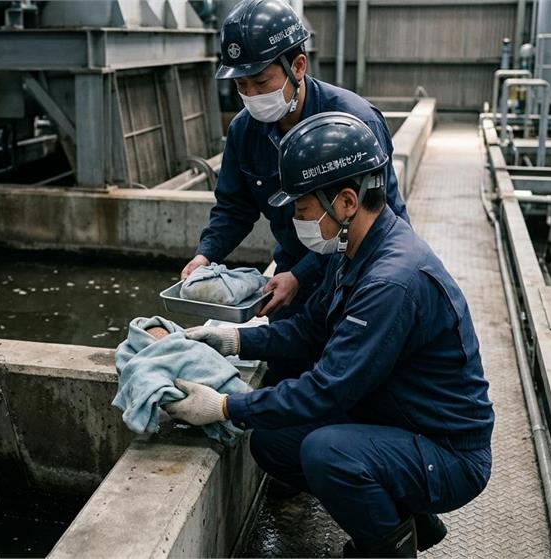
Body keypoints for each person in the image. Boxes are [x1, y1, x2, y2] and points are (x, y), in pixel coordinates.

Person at [166, 113, 494, 557]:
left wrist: (224, 406)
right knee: (273, 444)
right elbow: (308, 330)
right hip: (400, 419)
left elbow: (326, 391)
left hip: (448, 450)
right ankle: (408, 519)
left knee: (327, 452)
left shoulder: (390, 282)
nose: (298, 220)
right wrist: (234, 340)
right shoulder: (352, 249)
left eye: (302, 208)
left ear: (344, 202)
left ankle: (386, 549)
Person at [181, 0, 409, 384]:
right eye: (241, 85)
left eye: (262, 82)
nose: (252, 95)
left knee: (348, 377)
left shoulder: (353, 122)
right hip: (292, 271)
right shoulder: (244, 130)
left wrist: (301, 276)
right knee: (291, 371)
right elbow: (234, 207)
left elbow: (363, 224)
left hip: (358, 270)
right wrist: (206, 255)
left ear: (298, 67)